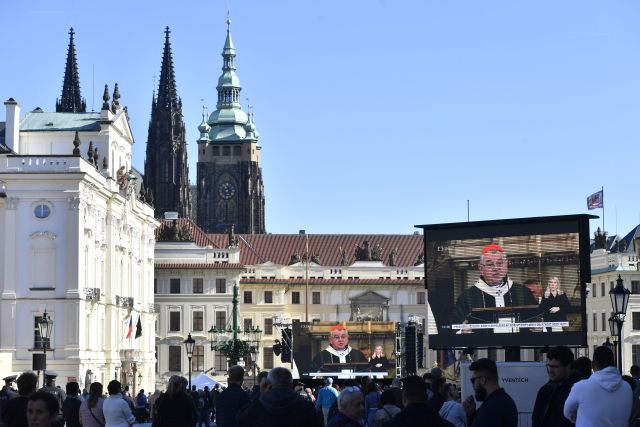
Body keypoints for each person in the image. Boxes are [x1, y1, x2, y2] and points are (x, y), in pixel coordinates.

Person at [451, 244, 538, 332]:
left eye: (499, 263)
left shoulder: (523, 292)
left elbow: (539, 320)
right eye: (490, 264)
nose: (496, 268)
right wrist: (461, 332)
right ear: (481, 269)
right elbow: (452, 329)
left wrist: (540, 327)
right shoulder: (467, 297)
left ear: (506, 265)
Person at [564, 345, 633, 426]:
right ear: (613, 364)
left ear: (592, 365)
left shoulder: (580, 387)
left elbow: (567, 412)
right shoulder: (627, 387)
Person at [236, 367, 322, 427]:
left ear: (268, 384)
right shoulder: (306, 406)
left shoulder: (259, 406)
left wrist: (261, 394)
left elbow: (241, 420)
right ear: (291, 383)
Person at [531, 346, 578, 427]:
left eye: (555, 367)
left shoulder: (579, 389)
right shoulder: (545, 390)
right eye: (549, 366)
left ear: (568, 367)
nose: (550, 371)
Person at [463, 358, 517, 427]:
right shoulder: (505, 401)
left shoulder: (490, 409)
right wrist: (471, 414)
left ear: (483, 380)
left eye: (473, 380)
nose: (473, 385)